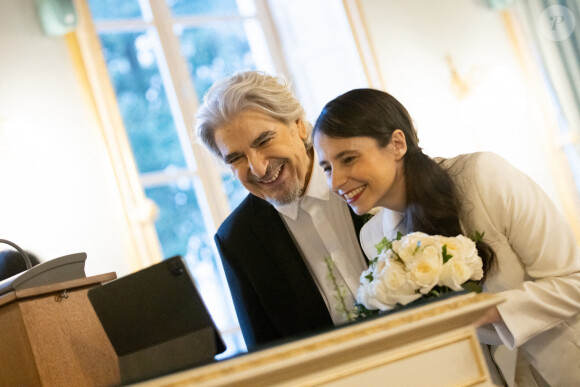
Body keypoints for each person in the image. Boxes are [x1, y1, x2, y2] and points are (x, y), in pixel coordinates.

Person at [312, 88, 580, 387]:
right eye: (327, 168)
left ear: (397, 144)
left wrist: (486, 312)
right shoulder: (374, 237)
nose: (335, 181)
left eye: (348, 159)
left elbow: (574, 282)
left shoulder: (483, 175)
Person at [195, 71, 367, 350]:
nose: (258, 168)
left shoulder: (366, 173)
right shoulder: (237, 240)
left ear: (299, 126)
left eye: (263, 141)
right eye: (237, 158)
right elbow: (265, 355)